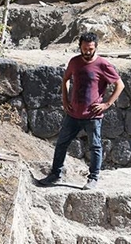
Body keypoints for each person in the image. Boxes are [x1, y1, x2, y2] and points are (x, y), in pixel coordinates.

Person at [39, 33, 124, 190]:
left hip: (93, 115)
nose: (87, 52)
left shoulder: (103, 64)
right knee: (61, 144)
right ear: (80, 47)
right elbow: (65, 79)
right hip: (73, 114)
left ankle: (93, 178)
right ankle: (55, 174)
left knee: (95, 146)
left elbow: (120, 84)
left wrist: (107, 104)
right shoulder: (74, 62)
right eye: (84, 48)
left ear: (95, 47)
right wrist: (65, 100)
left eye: (90, 49)